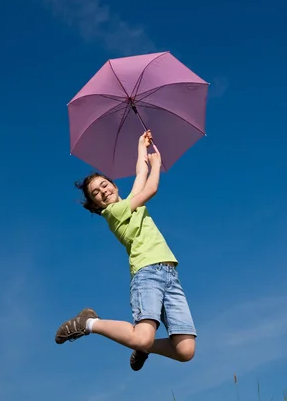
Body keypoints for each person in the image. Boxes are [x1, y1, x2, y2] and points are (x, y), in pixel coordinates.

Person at [55, 130, 197, 371]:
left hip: (170, 275)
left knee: (185, 350)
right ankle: (89, 323)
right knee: (143, 335)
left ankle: (142, 347)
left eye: (104, 184)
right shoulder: (113, 213)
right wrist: (157, 164)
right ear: (97, 205)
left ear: (113, 184)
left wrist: (142, 145)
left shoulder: (129, 203)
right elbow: (150, 188)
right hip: (147, 273)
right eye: (96, 194)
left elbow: (140, 175)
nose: (102, 191)